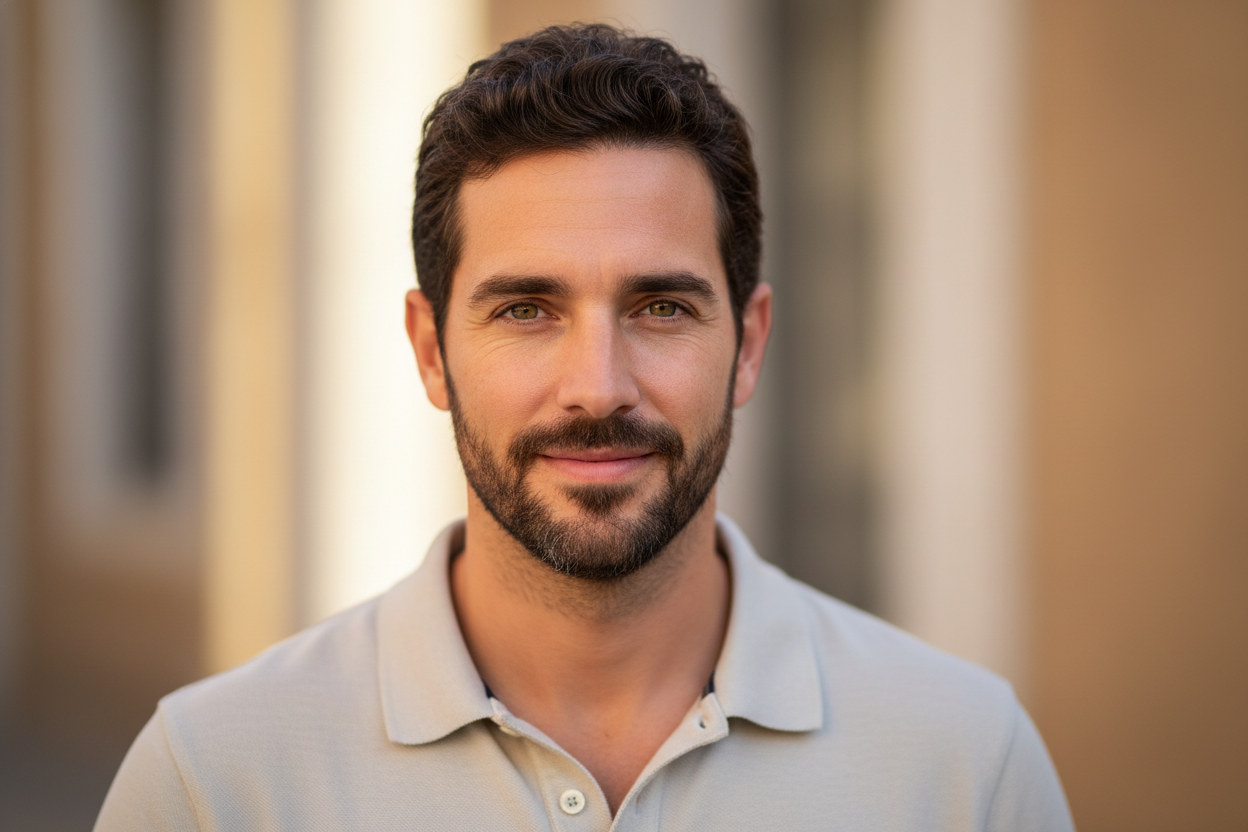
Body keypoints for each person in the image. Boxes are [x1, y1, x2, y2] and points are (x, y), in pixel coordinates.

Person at [96, 24, 1073, 830]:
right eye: (526, 309)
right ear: (431, 351)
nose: (597, 388)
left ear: (749, 343)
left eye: (661, 307)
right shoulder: (214, 783)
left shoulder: (964, 766)